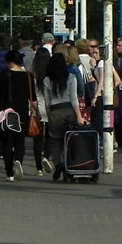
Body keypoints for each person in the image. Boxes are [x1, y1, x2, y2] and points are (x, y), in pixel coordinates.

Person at [0, 49, 35, 182]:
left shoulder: (4, 74)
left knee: (7, 142)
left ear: (9, 61)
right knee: (20, 140)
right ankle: (18, 161)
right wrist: (36, 112)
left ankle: (9, 173)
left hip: (6, 112)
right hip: (22, 112)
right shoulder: (28, 76)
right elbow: (32, 98)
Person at [42, 52, 82, 181]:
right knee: (70, 139)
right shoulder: (71, 77)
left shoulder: (47, 80)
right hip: (69, 110)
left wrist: (49, 115)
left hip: (55, 111)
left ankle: (58, 163)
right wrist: (79, 117)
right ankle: (70, 165)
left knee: (55, 140)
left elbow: (47, 102)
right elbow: (74, 99)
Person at [29, 33, 55, 175]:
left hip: (36, 108)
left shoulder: (32, 75)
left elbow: (31, 95)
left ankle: (38, 168)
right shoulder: (50, 76)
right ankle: (46, 156)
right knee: (50, 136)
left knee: (37, 138)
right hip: (49, 108)